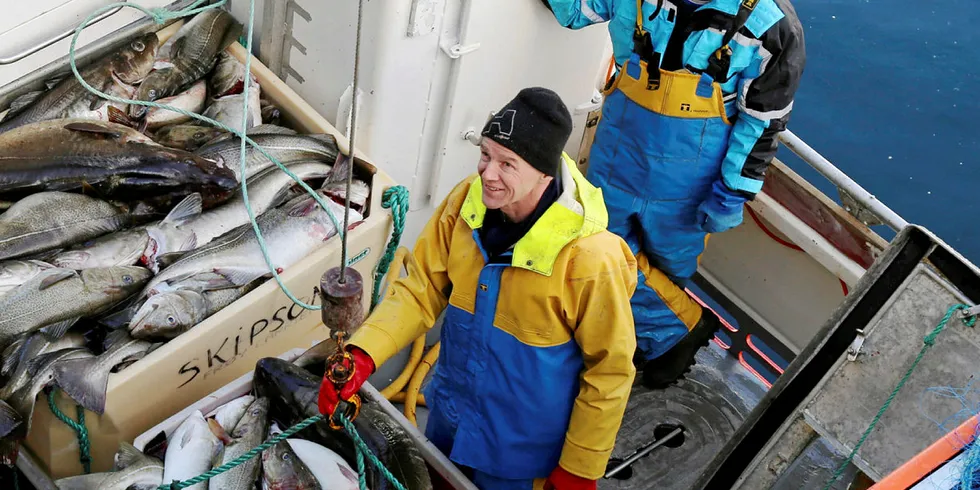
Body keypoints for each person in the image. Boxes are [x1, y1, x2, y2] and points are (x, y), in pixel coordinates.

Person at [319, 87, 639, 490]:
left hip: (522, 457)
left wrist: (581, 466)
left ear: (544, 172)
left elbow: (610, 371)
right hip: (448, 422)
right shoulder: (464, 204)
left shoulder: (592, 258)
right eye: (485, 155)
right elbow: (421, 290)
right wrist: (364, 354)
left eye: (508, 163)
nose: (488, 174)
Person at [539, 0, 806, 388]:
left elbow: (762, 123)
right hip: (618, 156)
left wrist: (731, 191)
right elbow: (576, 9)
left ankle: (640, 341)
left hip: (690, 184)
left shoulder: (774, 27)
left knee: (670, 268)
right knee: (595, 245)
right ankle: (681, 326)